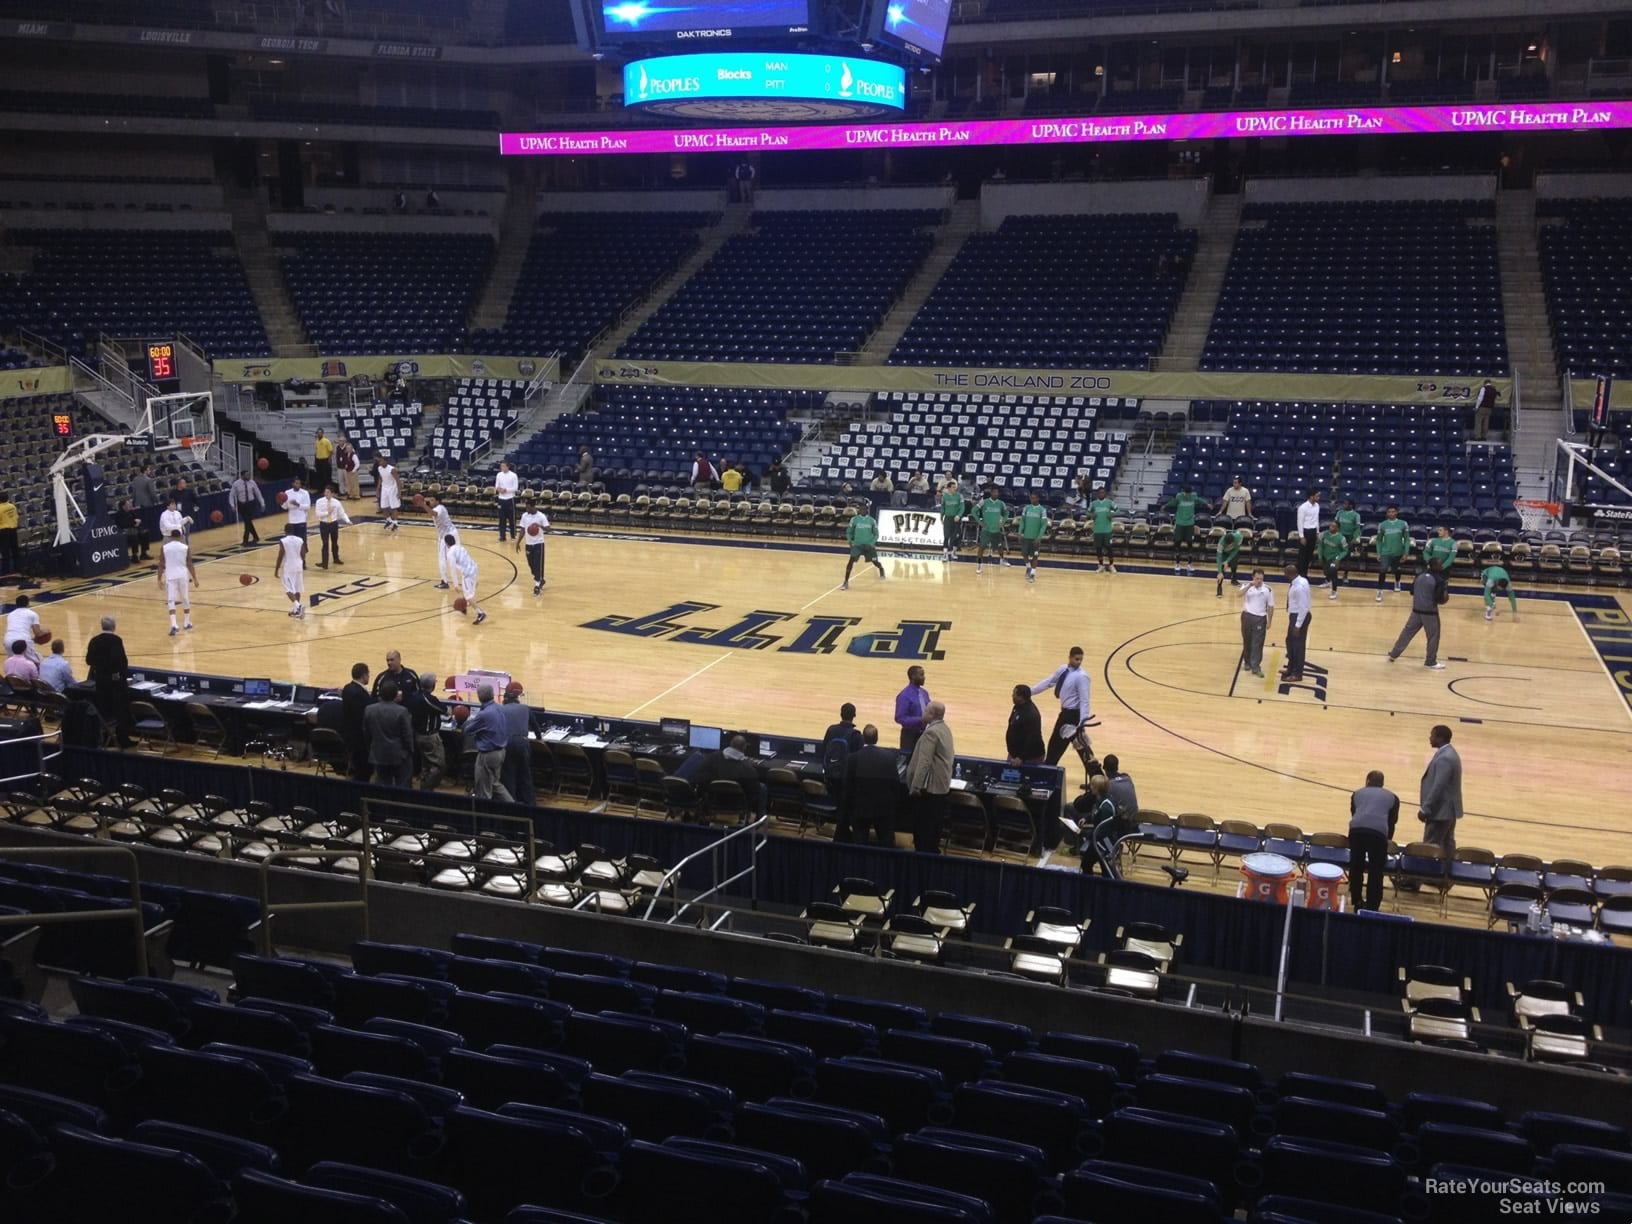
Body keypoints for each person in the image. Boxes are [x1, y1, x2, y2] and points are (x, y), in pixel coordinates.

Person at [1031, 646, 1094, 776]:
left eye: (1081, 660)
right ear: (1070, 657)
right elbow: (1048, 682)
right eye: (1076, 659)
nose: (1079, 662)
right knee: (1081, 748)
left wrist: (1083, 721)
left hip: (1073, 716)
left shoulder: (1082, 677)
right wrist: (1030, 692)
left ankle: (1047, 771)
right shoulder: (1063, 670)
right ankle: (1096, 776)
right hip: (1066, 714)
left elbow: (1085, 700)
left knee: (1058, 745)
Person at [837, 725, 901, 847]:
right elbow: (895, 785)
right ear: (877, 738)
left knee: (859, 845)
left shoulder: (852, 758)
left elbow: (847, 788)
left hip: (860, 810)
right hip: (883, 810)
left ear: (863, 738)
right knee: (886, 844)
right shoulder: (889, 758)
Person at [1348, 769, 1399, 912]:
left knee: (1356, 867)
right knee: (1376, 870)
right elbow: (1392, 822)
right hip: (1378, 835)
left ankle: (1357, 901)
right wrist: (1387, 840)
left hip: (1357, 832)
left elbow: (1354, 813)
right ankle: (1372, 905)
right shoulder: (1393, 797)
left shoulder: (1357, 793)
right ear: (1382, 784)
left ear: (1367, 781)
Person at [906, 701, 954, 854]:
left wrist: (915, 786)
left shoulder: (931, 733)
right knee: (934, 829)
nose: (923, 713)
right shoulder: (945, 729)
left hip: (929, 790)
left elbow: (924, 762)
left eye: (926, 711)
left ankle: (923, 859)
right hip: (941, 788)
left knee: (924, 832)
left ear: (932, 715)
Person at [1417, 725, 1463, 877]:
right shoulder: (1450, 754)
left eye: (1432, 735)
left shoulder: (1445, 758)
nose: (1430, 738)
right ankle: (1446, 877)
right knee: (1448, 844)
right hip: (1449, 810)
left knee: (1430, 846)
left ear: (1440, 738)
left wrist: (1426, 809)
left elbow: (1438, 787)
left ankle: (1416, 880)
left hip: (1440, 811)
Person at [1388, 559, 1447, 669]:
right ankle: (1430, 661)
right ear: (1436, 566)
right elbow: (1439, 598)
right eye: (1440, 564)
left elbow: (1411, 591)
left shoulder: (1419, 576)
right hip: (1430, 612)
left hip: (1416, 610)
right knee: (1433, 637)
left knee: (1407, 633)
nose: (1442, 566)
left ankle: (1394, 654)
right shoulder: (1439, 579)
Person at [85, 616, 133, 747]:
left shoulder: (94, 640)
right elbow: (122, 661)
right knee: (120, 711)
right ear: (114, 626)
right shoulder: (116, 640)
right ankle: (123, 740)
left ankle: (107, 738)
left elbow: (89, 660)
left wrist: (100, 667)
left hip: (100, 682)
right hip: (115, 683)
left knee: (104, 711)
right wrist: (121, 676)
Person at [465, 682, 513, 801]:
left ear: (479, 696)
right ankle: (513, 807)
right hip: (501, 752)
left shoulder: (484, 714)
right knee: (494, 784)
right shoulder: (500, 708)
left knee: (483, 790)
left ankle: (484, 815)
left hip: (488, 755)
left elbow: (468, 730)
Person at [365, 678, 415, 787]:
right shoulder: (402, 711)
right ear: (395, 694)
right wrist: (409, 752)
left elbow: (366, 733)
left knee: (382, 786)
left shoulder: (369, 709)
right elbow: (407, 735)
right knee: (403, 786)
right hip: (399, 755)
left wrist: (372, 748)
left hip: (378, 754)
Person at [408, 673, 447, 791]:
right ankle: (427, 789)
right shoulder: (428, 699)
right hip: (429, 737)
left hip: (418, 735)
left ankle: (423, 790)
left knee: (426, 765)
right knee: (439, 766)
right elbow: (443, 710)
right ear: (432, 685)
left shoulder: (414, 696)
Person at [499, 682, 536, 807]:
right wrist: (539, 738)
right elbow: (535, 725)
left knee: (508, 775)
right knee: (525, 774)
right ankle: (530, 804)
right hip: (522, 743)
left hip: (506, 743)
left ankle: (512, 804)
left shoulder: (500, 710)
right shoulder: (525, 708)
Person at [1164, 485, 1211, 576]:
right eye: (1186, 493)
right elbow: (1173, 502)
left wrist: (1207, 504)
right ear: (1184, 492)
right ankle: (1177, 564)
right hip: (1180, 523)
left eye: (1189, 493)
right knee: (1178, 543)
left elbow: (1200, 500)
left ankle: (1189, 564)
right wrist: (1165, 505)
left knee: (1190, 543)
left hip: (1189, 523)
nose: (1188, 494)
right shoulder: (1179, 496)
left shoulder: (1194, 496)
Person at [159, 529, 197, 636]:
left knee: (171, 600)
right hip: (183, 575)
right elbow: (189, 563)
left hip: (170, 576)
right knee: (185, 598)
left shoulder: (164, 548)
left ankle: (174, 624)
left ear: (170, 537)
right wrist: (195, 578)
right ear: (181, 537)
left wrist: (159, 579)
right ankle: (186, 622)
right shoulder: (185, 547)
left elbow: (161, 564)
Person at [341, 662, 375, 781]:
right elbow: (364, 715)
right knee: (364, 770)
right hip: (360, 738)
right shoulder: (360, 694)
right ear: (364, 675)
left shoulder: (347, 688)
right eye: (368, 674)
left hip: (349, 735)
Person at [841, 504, 886, 590]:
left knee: (875, 562)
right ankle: (846, 582)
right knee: (851, 561)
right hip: (857, 545)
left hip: (868, 546)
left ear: (867, 510)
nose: (862, 511)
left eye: (864, 509)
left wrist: (872, 544)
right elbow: (849, 532)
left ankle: (881, 569)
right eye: (860, 509)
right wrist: (850, 541)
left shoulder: (872, 521)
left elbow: (876, 534)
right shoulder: (854, 520)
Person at [1240, 568, 1274, 677]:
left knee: (1257, 643)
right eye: (1257, 578)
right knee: (1247, 640)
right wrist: (1249, 586)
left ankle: (1256, 666)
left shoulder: (1268, 589)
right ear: (1253, 577)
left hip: (1260, 618)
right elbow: (1238, 594)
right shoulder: (1246, 586)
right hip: (1247, 616)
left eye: (1261, 578)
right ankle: (1247, 662)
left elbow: (1270, 606)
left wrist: (1269, 621)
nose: (1259, 581)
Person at [1374, 504, 1411, 602]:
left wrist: (1406, 552)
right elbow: (1378, 540)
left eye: (1393, 511)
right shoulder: (1382, 525)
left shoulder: (1403, 524)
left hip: (1398, 551)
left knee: (1397, 569)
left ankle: (1397, 582)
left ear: (1397, 512)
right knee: (1383, 570)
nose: (1391, 513)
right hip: (1386, 552)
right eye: (1389, 512)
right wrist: (1378, 552)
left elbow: (1407, 539)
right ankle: (1380, 591)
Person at [446, 535, 486, 625]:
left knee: (468, 596)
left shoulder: (450, 553)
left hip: (468, 574)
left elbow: (452, 569)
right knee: (468, 592)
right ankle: (465, 606)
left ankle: (480, 613)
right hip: (474, 568)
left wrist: (455, 584)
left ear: (446, 544)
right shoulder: (460, 547)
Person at [1282, 563, 1311, 682]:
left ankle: (1297, 673)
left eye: (1286, 574)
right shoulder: (1302, 580)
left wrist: (1298, 625)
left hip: (1299, 616)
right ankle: (1291, 667)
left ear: (1290, 574)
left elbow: (1303, 607)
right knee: (1290, 642)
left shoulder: (1299, 587)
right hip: (1296, 615)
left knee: (1297, 646)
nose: (1285, 576)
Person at [517, 497, 550, 595]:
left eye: (528, 507)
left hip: (538, 544)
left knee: (538, 565)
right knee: (531, 566)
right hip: (528, 544)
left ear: (532, 507)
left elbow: (548, 529)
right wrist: (518, 542)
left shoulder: (541, 516)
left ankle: (537, 585)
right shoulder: (524, 516)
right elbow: (522, 529)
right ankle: (540, 579)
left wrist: (540, 526)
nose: (526, 509)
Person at [895, 664, 930, 754]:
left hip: (925, 733)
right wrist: (920, 719)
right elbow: (900, 718)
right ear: (913, 676)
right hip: (910, 736)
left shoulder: (924, 693)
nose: (924, 677)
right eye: (921, 675)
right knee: (909, 763)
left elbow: (930, 708)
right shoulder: (904, 696)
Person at [313, 484, 351, 568]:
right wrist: (327, 513)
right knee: (325, 543)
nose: (326, 494)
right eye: (325, 492)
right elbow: (318, 514)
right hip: (324, 524)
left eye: (328, 492)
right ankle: (324, 563)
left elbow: (342, 513)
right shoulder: (319, 501)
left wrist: (347, 520)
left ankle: (336, 558)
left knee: (335, 542)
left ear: (332, 494)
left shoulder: (337, 502)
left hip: (333, 523)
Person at [272, 530, 307, 620]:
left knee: (288, 589)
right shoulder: (300, 539)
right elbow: (303, 555)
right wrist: (299, 561)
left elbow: (280, 555)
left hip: (288, 567)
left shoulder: (283, 541)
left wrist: (276, 569)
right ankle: (296, 611)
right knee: (297, 588)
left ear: (285, 531)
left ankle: (298, 606)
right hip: (298, 566)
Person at [1006, 685, 1045, 765]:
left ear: (1021, 697)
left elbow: (1033, 738)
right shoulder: (1017, 707)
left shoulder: (1031, 714)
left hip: (1029, 758)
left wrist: (1021, 758)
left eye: (1014, 694)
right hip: (1015, 755)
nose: (1012, 696)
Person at [974, 486, 1009, 574]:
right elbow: (973, 511)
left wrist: (1003, 522)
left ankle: (1002, 560)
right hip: (986, 529)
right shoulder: (984, 502)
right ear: (991, 493)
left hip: (996, 530)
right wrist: (979, 521)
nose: (996, 494)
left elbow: (1006, 513)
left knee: (1000, 547)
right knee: (982, 547)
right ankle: (979, 565)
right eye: (994, 492)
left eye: (997, 493)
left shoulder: (1001, 503)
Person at [427, 494, 458, 590]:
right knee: (456, 558)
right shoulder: (441, 508)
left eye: (432, 500)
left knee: (442, 558)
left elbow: (433, 514)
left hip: (447, 536)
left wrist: (423, 505)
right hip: (452, 533)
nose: (430, 502)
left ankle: (444, 581)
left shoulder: (439, 508)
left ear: (437, 501)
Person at [1102, 754, 1139, 834]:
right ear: (1117, 767)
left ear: (1104, 768)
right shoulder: (1127, 778)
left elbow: (1102, 785)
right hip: (1135, 820)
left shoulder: (1109, 784)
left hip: (1123, 826)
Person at [1017, 492, 1048, 583]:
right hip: (1026, 535)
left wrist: (1039, 537)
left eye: (1034, 498)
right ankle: (1028, 567)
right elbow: (1022, 521)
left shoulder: (1042, 510)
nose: (1032, 500)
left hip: (1035, 537)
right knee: (1024, 554)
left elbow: (1044, 525)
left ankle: (1033, 574)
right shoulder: (1026, 508)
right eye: (1031, 498)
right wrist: (1020, 533)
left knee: (1035, 556)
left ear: (1038, 499)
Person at [3, 594, 40, 665]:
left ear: (16, 604)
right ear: (28, 603)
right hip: (23, 641)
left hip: (7, 641)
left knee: (13, 664)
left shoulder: (10, 614)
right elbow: (38, 634)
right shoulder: (32, 614)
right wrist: (46, 632)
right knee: (36, 662)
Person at [230, 470, 265, 545]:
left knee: (247, 521)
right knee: (248, 521)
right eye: (247, 475)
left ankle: (245, 540)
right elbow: (231, 495)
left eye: (249, 475)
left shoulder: (252, 482)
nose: (249, 476)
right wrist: (232, 505)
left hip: (251, 504)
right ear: (242, 476)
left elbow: (258, 493)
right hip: (241, 505)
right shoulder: (236, 484)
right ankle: (256, 537)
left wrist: (262, 503)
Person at [1317, 521, 1349, 600]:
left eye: (1333, 526)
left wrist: (1338, 559)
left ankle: (1334, 591)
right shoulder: (1323, 534)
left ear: (1338, 528)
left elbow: (1345, 550)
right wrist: (1320, 556)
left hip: (1334, 558)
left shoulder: (1341, 538)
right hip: (1325, 557)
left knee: (1333, 572)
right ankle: (1327, 582)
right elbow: (1320, 546)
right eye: (1330, 525)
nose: (1331, 527)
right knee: (1326, 572)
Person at [1088, 488, 1117, 572]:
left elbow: (1118, 510)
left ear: (1105, 494)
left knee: (1109, 547)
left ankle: (1111, 565)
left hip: (1107, 529)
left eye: (1103, 493)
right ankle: (1101, 565)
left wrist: (1112, 514)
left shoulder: (1109, 502)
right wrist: (1092, 515)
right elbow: (1087, 512)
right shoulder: (1093, 503)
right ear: (1097, 494)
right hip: (1097, 530)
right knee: (1098, 548)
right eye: (1100, 493)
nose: (1101, 494)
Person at [1295, 490, 1322, 576]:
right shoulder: (1303, 507)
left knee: (1309, 555)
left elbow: (1316, 519)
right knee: (1302, 555)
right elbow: (1300, 522)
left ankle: (1305, 573)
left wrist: (1317, 532)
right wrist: (1301, 536)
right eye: (1317, 496)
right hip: (1305, 531)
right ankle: (1300, 574)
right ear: (1311, 496)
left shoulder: (1317, 506)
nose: (1319, 498)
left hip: (1313, 531)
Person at [939, 479, 966, 561]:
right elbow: (942, 507)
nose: (955, 488)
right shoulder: (945, 496)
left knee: (956, 536)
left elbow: (962, 507)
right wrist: (941, 516)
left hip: (956, 519)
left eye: (955, 487)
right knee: (946, 536)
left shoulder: (959, 496)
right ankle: (945, 554)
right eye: (953, 487)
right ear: (949, 488)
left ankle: (953, 552)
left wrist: (959, 515)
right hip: (948, 518)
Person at [1215, 522, 1244, 597]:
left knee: (1234, 565)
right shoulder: (1221, 543)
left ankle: (1233, 580)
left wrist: (1228, 560)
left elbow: (1236, 550)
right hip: (1224, 554)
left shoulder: (1239, 537)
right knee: (1222, 568)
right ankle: (1219, 588)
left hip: (1233, 553)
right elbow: (1219, 557)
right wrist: (1220, 571)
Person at [493, 460, 519, 542]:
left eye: (503, 466)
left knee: (512, 519)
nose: (502, 468)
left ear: (508, 467)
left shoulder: (513, 475)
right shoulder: (499, 475)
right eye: (501, 466)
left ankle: (513, 536)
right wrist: (499, 489)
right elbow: (496, 486)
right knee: (501, 519)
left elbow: (515, 488)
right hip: (501, 499)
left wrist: (506, 490)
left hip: (510, 499)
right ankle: (502, 536)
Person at [1336, 499, 1362, 578]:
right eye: (1344, 504)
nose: (1344, 505)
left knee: (1347, 557)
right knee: (1336, 556)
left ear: (1351, 505)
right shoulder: (1339, 513)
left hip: (1349, 538)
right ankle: (1334, 573)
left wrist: (1355, 538)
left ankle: (1345, 574)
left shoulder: (1356, 515)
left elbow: (1357, 528)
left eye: (1346, 504)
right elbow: (1335, 524)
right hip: (1339, 537)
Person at [376, 453, 401, 531]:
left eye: (381, 461)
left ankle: (396, 523)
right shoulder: (379, 468)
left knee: (393, 507)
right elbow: (380, 478)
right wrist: (378, 488)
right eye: (379, 461)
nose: (380, 462)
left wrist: (399, 492)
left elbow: (398, 481)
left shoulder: (392, 469)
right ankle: (389, 521)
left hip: (392, 489)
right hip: (384, 488)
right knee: (383, 506)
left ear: (386, 461)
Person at [336, 435, 361, 499]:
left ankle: (356, 495)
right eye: (347, 448)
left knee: (354, 483)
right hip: (348, 470)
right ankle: (351, 494)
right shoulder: (347, 454)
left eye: (349, 448)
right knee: (349, 483)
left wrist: (354, 470)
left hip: (353, 471)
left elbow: (357, 463)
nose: (347, 449)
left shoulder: (353, 455)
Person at [0, 491, 16, 575]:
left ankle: (6, 571)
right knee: (15, 550)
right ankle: (17, 568)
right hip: (13, 529)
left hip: (3, 531)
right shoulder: (12, 506)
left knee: (5, 551)